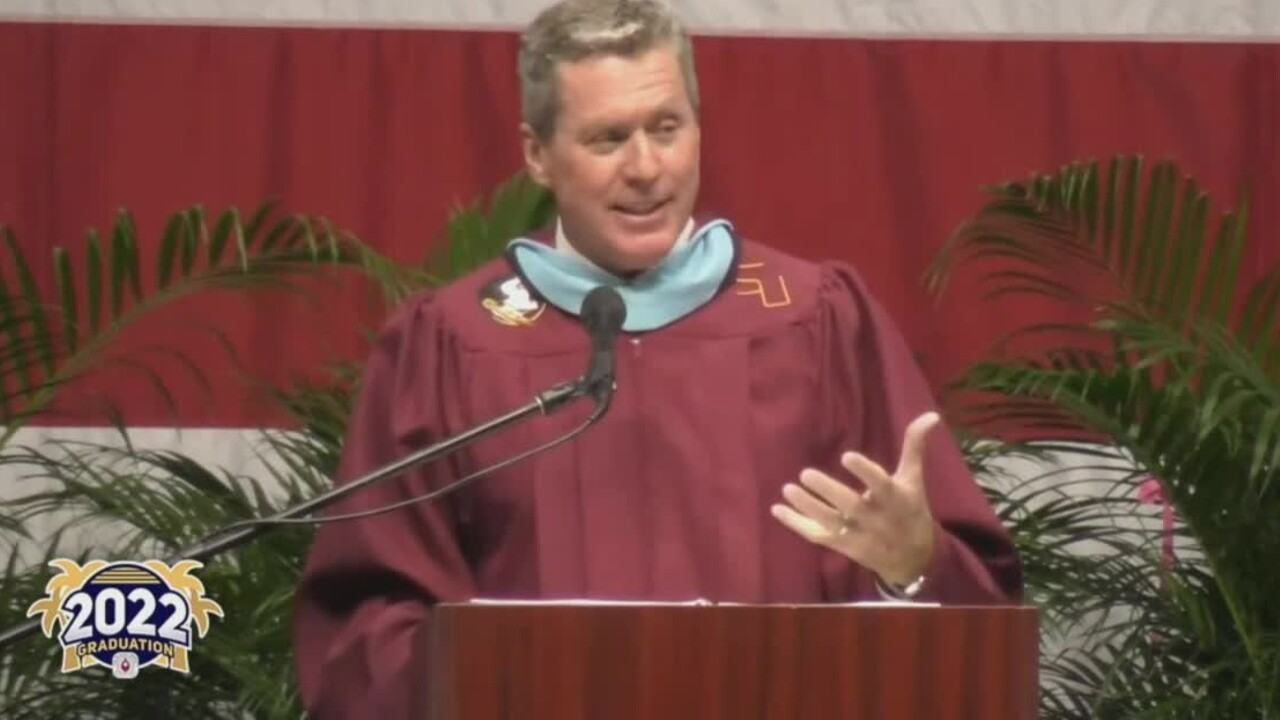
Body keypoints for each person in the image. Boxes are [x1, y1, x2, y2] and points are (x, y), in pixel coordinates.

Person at [291, 0, 1023, 716]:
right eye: (608, 139)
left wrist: (913, 566)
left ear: (698, 132)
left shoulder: (817, 320)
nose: (646, 167)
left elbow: (970, 614)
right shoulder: (453, 343)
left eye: (666, 128)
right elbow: (370, 623)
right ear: (537, 154)